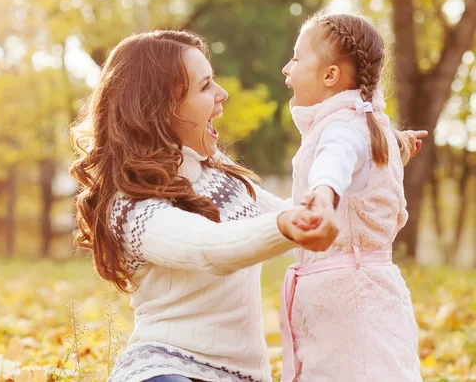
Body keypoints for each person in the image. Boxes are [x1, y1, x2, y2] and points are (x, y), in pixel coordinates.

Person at [70, 29, 339, 382]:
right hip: (165, 369)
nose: (222, 93)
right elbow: (210, 247)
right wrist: (285, 226)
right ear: (160, 110)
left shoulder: (218, 176)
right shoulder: (129, 205)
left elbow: (298, 213)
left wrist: (373, 153)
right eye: (205, 86)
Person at [279, 12, 426, 382]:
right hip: (368, 291)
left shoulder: (342, 129)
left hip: (347, 303)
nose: (286, 67)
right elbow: (366, 158)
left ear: (330, 76)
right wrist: (400, 144)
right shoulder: (364, 125)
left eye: (296, 58)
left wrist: (324, 195)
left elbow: (337, 160)